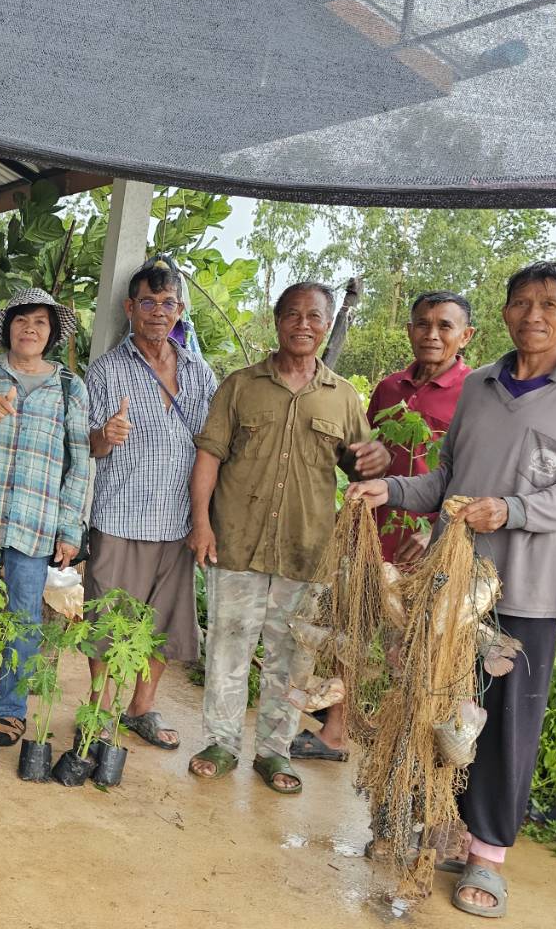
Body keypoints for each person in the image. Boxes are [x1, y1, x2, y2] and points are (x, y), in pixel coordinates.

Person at [349, 261, 556, 919]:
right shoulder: (477, 386)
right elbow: (445, 482)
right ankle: (440, 828)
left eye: (549, 305)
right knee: (440, 713)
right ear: (502, 314)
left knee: (504, 729)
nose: (533, 315)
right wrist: (390, 490)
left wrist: (513, 510)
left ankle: (487, 854)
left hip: (524, 591)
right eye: (521, 303)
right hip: (451, 585)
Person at [185, 281, 389, 795]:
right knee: (228, 647)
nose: (303, 324)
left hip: (306, 550)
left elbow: (361, 462)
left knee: (291, 658)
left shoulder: (342, 396)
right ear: (276, 322)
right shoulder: (240, 385)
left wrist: (376, 458)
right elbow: (208, 455)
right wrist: (201, 522)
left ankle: (275, 752)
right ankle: (221, 743)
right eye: (292, 314)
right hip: (236, 540)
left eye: (314, 316)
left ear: (326, 325)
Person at [293, 289, 475, 763]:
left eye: (444, 326)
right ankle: (334, 733)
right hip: (374, 530)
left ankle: (404, 748)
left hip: (426, 543)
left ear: (465, 336)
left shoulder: (474, 394)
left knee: (415, 647)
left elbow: (473, 474)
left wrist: (434, 526)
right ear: (410, 329)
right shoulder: (390, 389)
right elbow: (365, 460)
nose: (431, 334)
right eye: (422, 323)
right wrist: (362, 463)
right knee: (350, 628)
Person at [83, 258, 218, 752]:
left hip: (178, 520)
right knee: (107, 620)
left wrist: (205, 520)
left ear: (179, 310)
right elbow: (85, 446)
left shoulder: (199, 372)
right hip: (118, 516)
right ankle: (95, 710)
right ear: (130, 308)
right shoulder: (105, 371)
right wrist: (105, 435)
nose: (158, 312)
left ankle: (140, 707)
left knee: (162, 622)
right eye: (148, 302)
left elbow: (213, 445)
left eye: (167, 303)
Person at [0, 288, 90, 745]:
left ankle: (10, 711)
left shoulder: (70, 387)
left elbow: (79, 463)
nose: (29, 329)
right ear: (8, 327)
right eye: (21, 321)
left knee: (24, 619)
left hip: (35, 523)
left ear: (50, 334)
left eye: (40, 323)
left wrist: (70, 530)